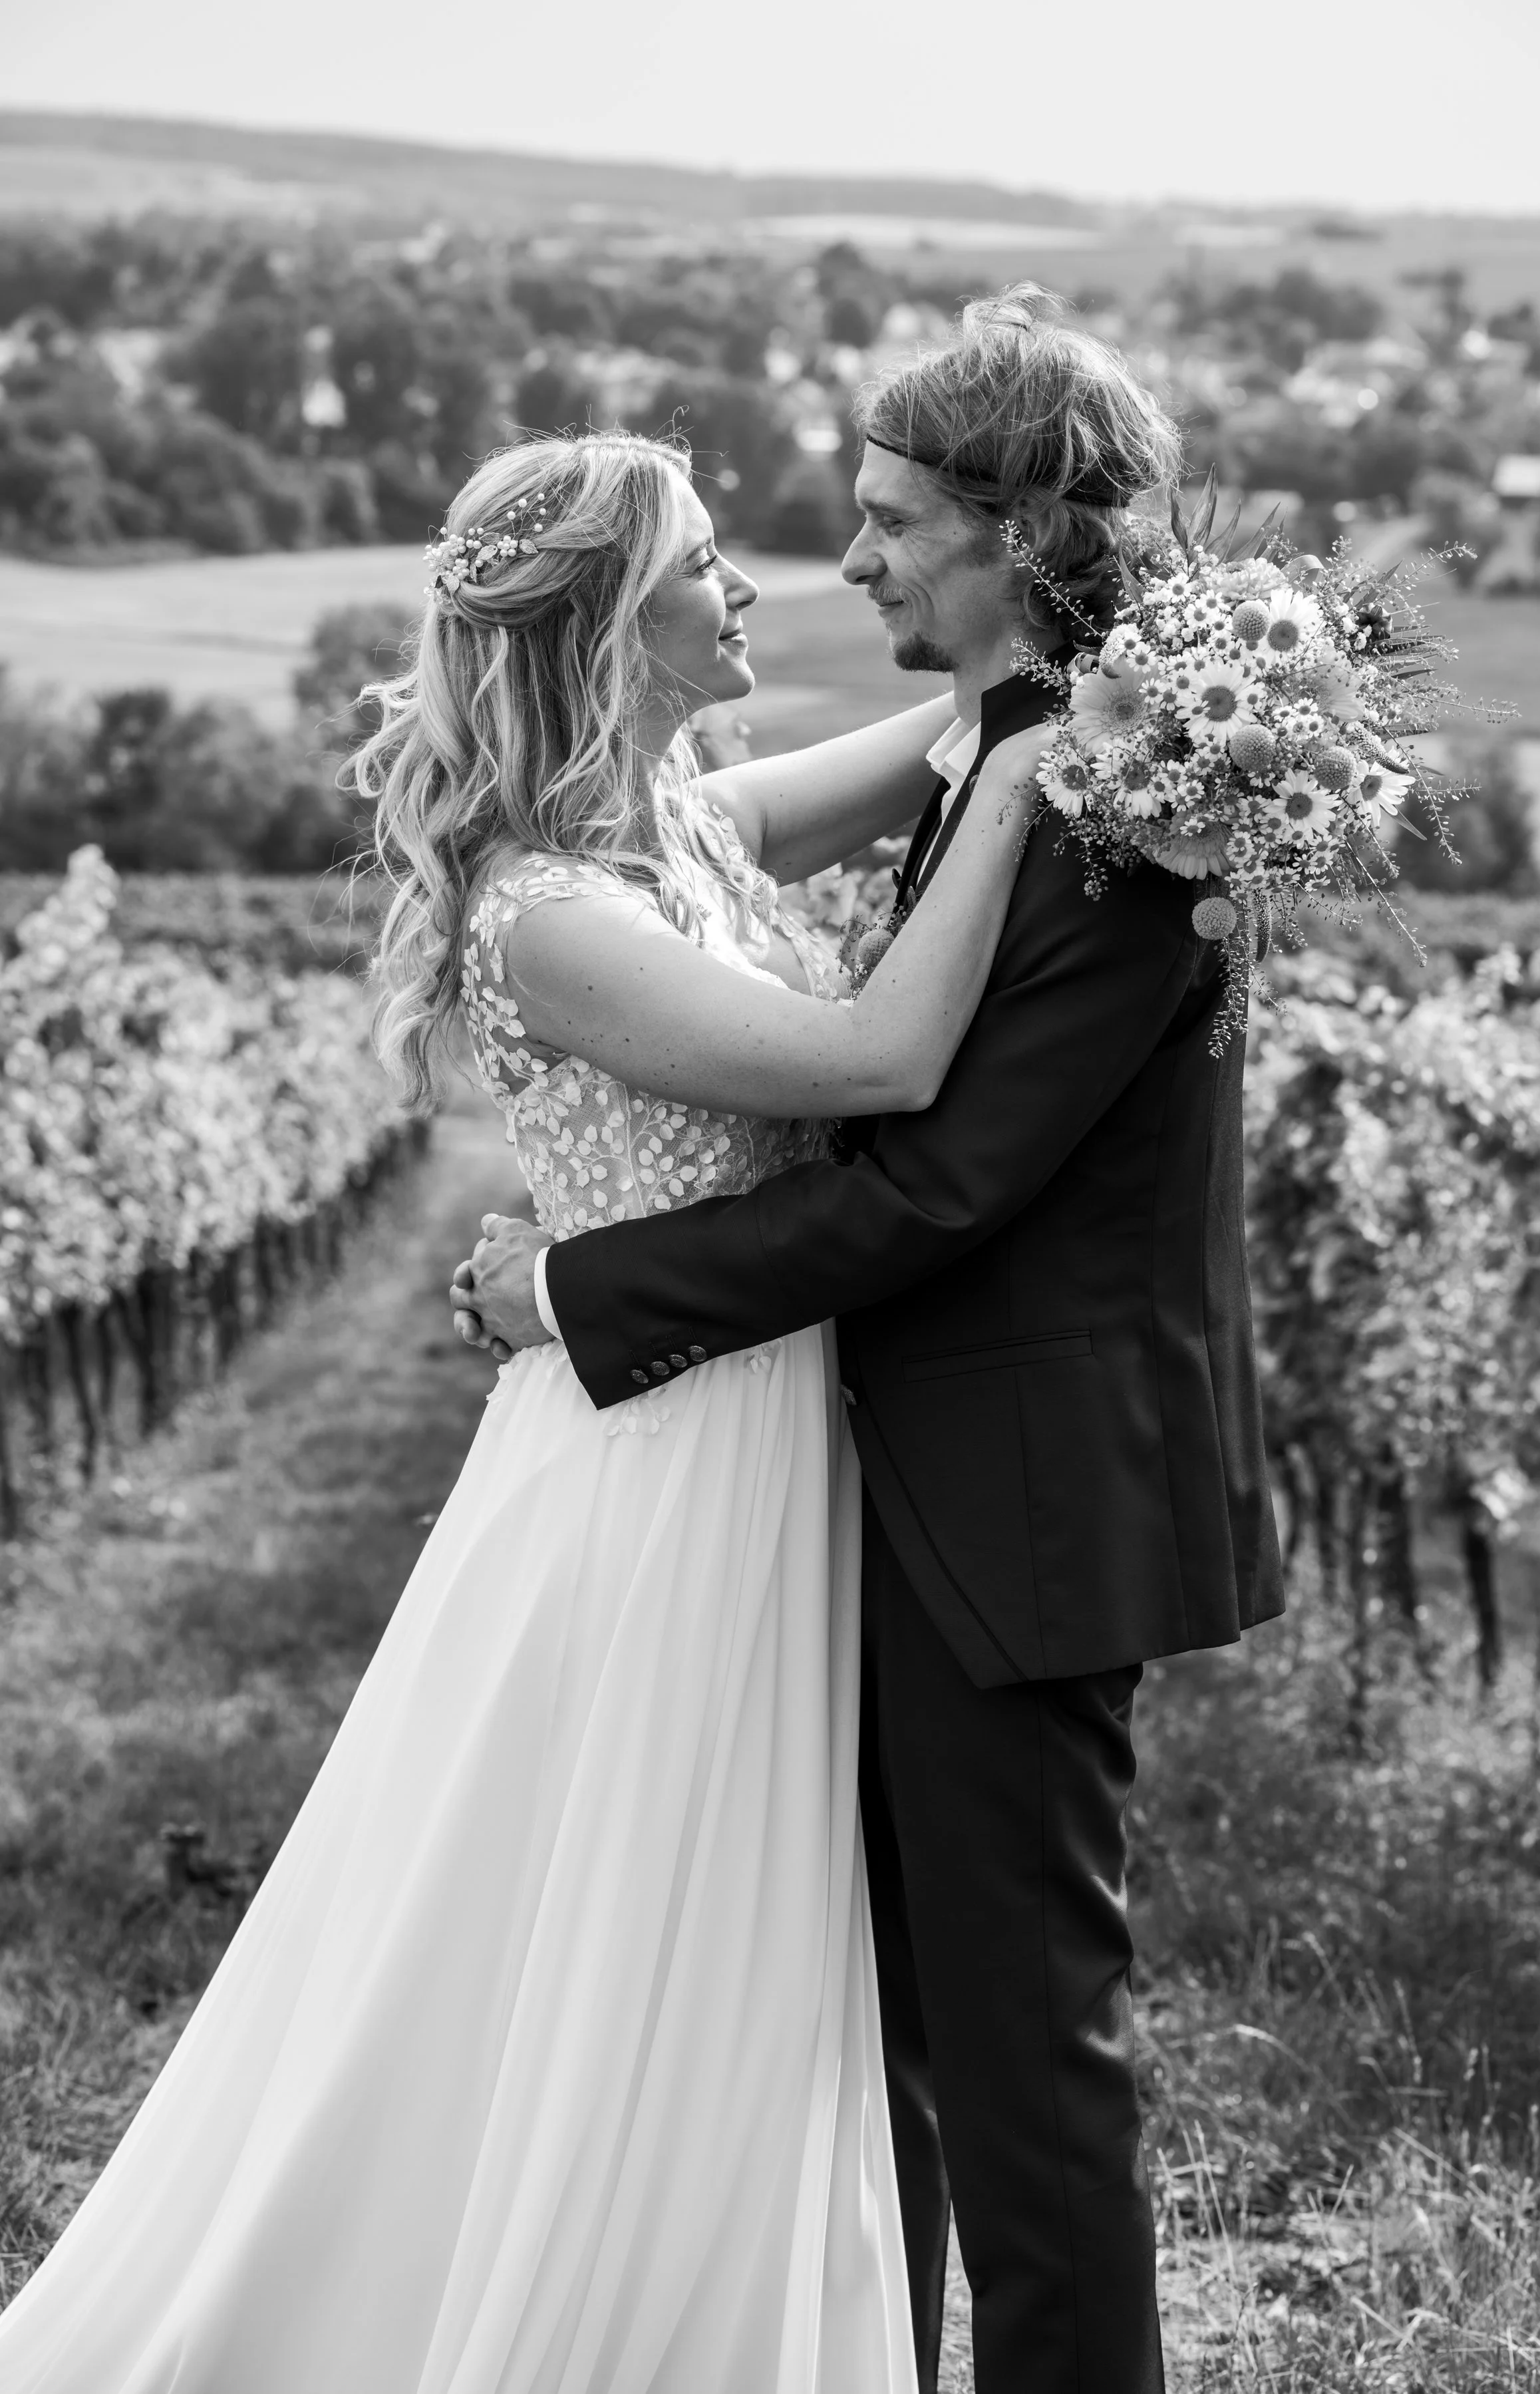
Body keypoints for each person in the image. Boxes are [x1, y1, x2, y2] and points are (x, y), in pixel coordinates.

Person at [0, 427, 1056, 2392]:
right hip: (653, 1467)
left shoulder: (699, 827)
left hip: (758, 1434)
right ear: (606, 623)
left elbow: (960, 728)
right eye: (705, 567)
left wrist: (1137, 681)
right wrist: (1020, 799)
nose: (755, 589)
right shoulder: (548, 913)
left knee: (718, 1921)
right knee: (618, 1902)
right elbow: (878, 1055)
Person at [454, 291, 1286, 2394]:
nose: (851, 560)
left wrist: (575, 1293)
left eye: (898, 517)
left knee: (1019, 2068)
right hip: (910, 1490)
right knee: (911, 2039)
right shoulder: (1021, 750)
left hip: (1009, 1512)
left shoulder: (1114, 803)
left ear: (1022, 533)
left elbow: (939, 1180)